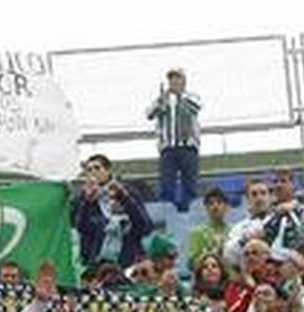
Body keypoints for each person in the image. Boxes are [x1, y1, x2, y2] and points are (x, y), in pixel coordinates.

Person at [73, 158, 152, 267]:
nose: (93, 172)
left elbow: (144, 226)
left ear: (108, 170)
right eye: (89, 170)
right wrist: (87, 202)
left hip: (128, 260)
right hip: (98, 263)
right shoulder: (83, 198)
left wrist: (125, 200)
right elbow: (81, 227)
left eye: (97, 168)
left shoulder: (127, 192)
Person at [146, 68, 201, 212]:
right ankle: (167, 211)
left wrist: (180, 95)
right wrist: (160, 100)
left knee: (190, 182)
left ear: (184, 81)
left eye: (177, 78)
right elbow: (149, 114)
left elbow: (196, 107)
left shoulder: (192, 97)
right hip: (168, 148)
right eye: (171, 79)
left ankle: (189, 210)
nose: (174, 82)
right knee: (167, 183)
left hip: (188, 146)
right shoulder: (163, 100)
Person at [184, 188, 229, 272]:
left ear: (226, 207)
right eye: (211, 203)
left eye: (219, 202)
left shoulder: (234, 231)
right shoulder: (197, 233)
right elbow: (192, 264)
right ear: (206, 208)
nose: (215, 206)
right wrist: (211, 253)